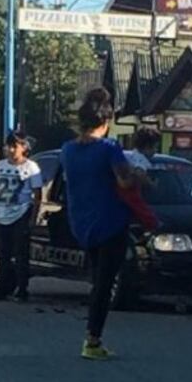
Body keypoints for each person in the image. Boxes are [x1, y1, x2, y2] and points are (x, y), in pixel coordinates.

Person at [61, 88, 136, 360]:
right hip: (111, 222)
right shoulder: (109, 148)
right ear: (105, 122)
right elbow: (125, 181)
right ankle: (92, 339)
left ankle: (93, 336)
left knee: (98, 281)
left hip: (82, 222)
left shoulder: (67, 150)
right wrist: (140, 177)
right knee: (104, 284)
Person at [0, 132, 43, 302]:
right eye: (7, 146)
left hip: (20, 213)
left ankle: (22, 288)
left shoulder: (31, 168)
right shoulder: (0, 166)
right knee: (2, 253)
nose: (10, 150)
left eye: (14, 146)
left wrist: (33, 217)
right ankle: (0, 287)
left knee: (20, 253)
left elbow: (37, 194)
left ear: (24, 147)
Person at [118, 127, 161, 232]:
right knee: (139, 206)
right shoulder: (142, 159)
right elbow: (139, 173)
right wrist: (151, 184)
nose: (155, 151)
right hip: (130, 189)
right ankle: (152, 224)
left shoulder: (128, 155)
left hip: (118, 191)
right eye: (155, 148)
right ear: (147, 147)